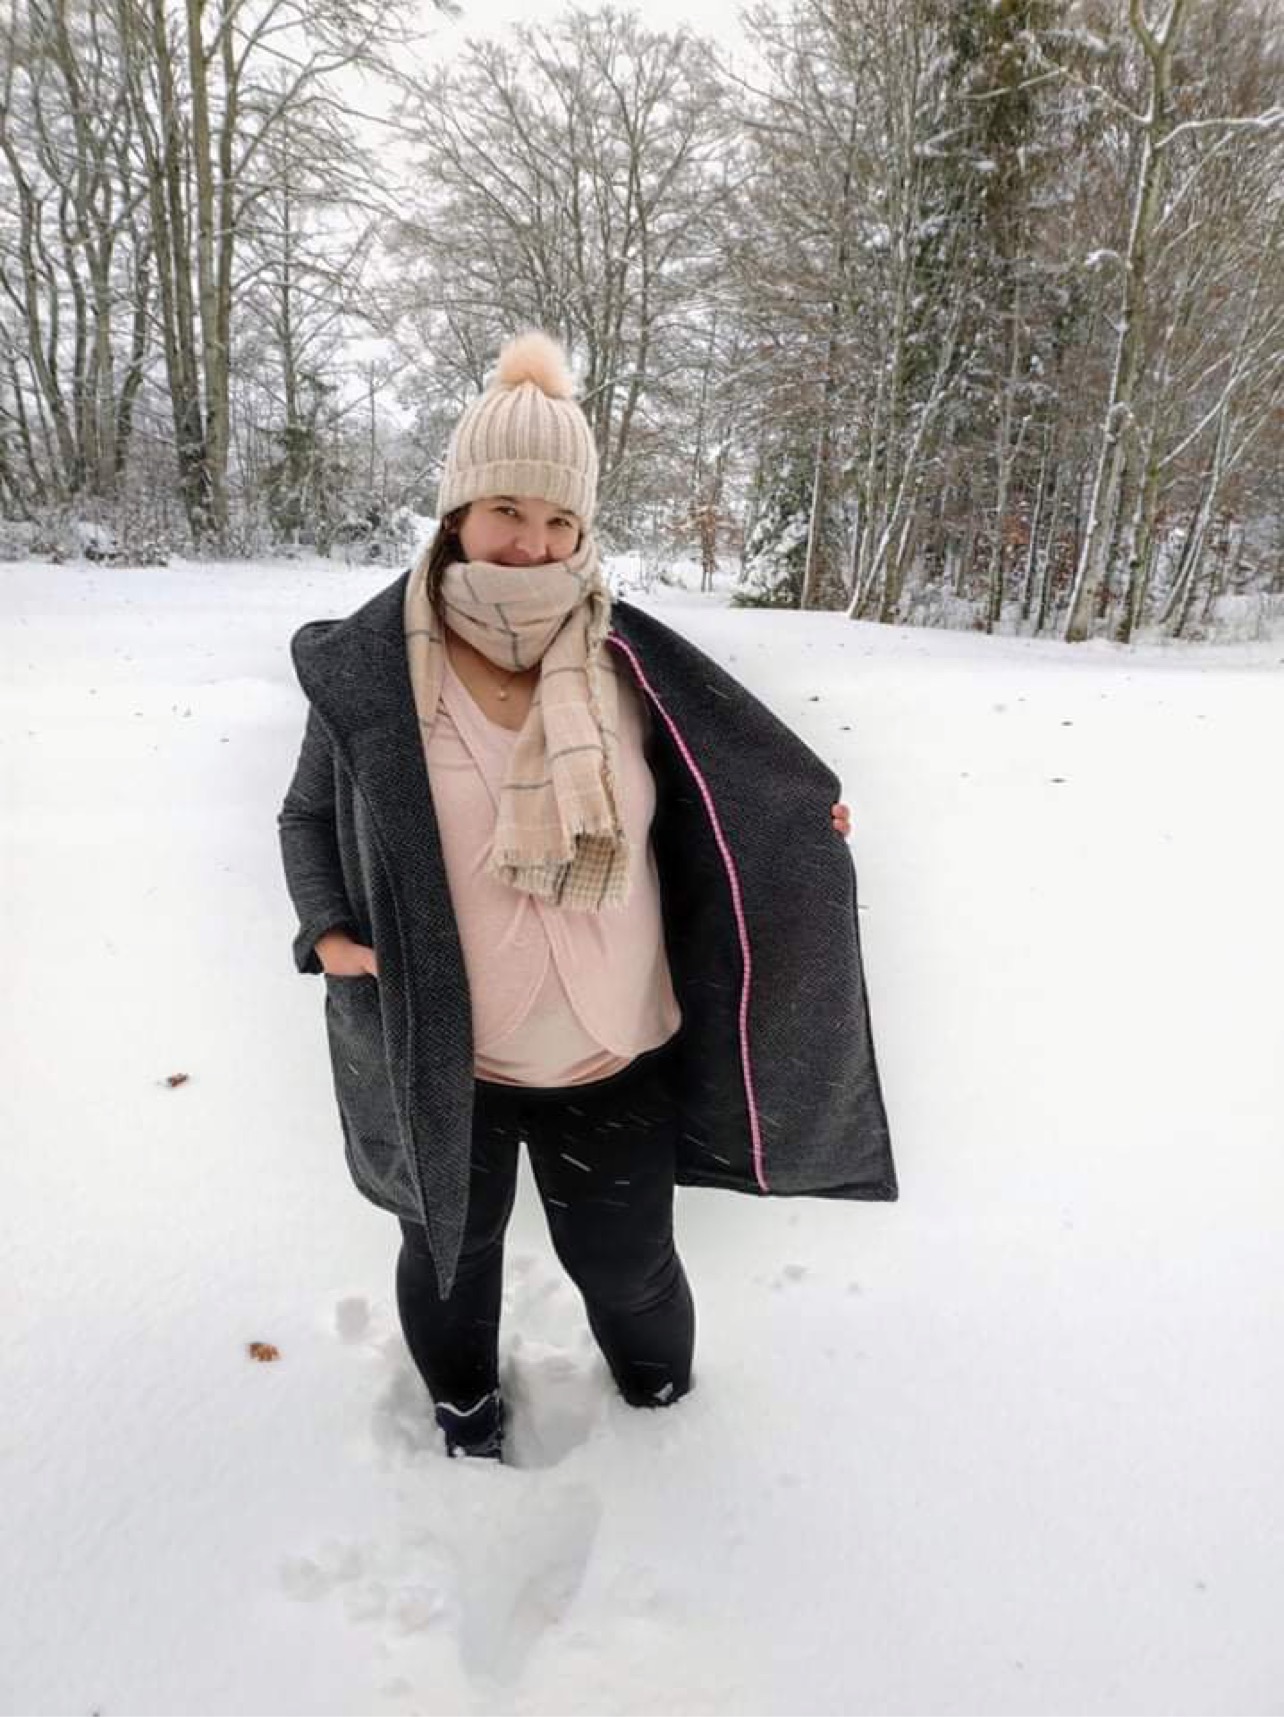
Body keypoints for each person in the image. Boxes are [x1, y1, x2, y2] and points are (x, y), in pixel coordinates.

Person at [278, 332, 895, 1462]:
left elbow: (728, 797)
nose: (534, 541)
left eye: (560, 518)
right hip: (443, 1052)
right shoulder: (374, 671)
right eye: (507, 509)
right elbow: (305, 817)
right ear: (459, 511)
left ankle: (662, 1413)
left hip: (609, 1045)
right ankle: (465, 1409)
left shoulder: (629, 663)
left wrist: (796, 838)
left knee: (629, 1266)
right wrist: (328, 932)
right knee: (449, 1259)